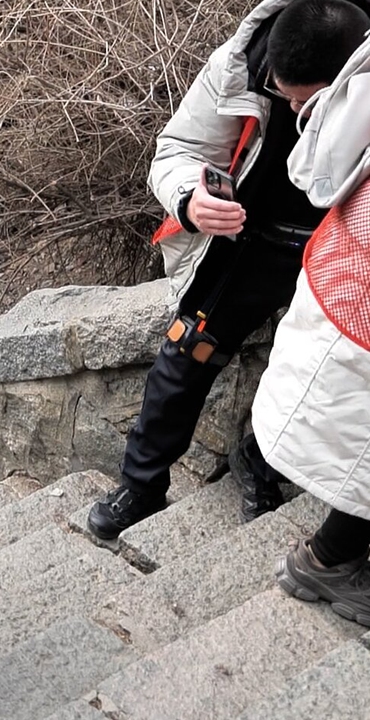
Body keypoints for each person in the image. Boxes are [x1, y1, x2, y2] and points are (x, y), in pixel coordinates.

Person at [87, 0, 370, 540]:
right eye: (282, 95)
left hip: (347, 246)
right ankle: (141, 485)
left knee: (321, 370)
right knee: (188, 348)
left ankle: (262, 460)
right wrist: (191, 199)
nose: (291, 109)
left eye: (305, 103)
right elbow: (177, 149)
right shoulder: (242, 63)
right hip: (253, 238)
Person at [252, 37, 370, 625]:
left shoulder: (355, 104)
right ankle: (326, 562)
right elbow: (181, 147)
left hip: (344, 303)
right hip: (352, 319)